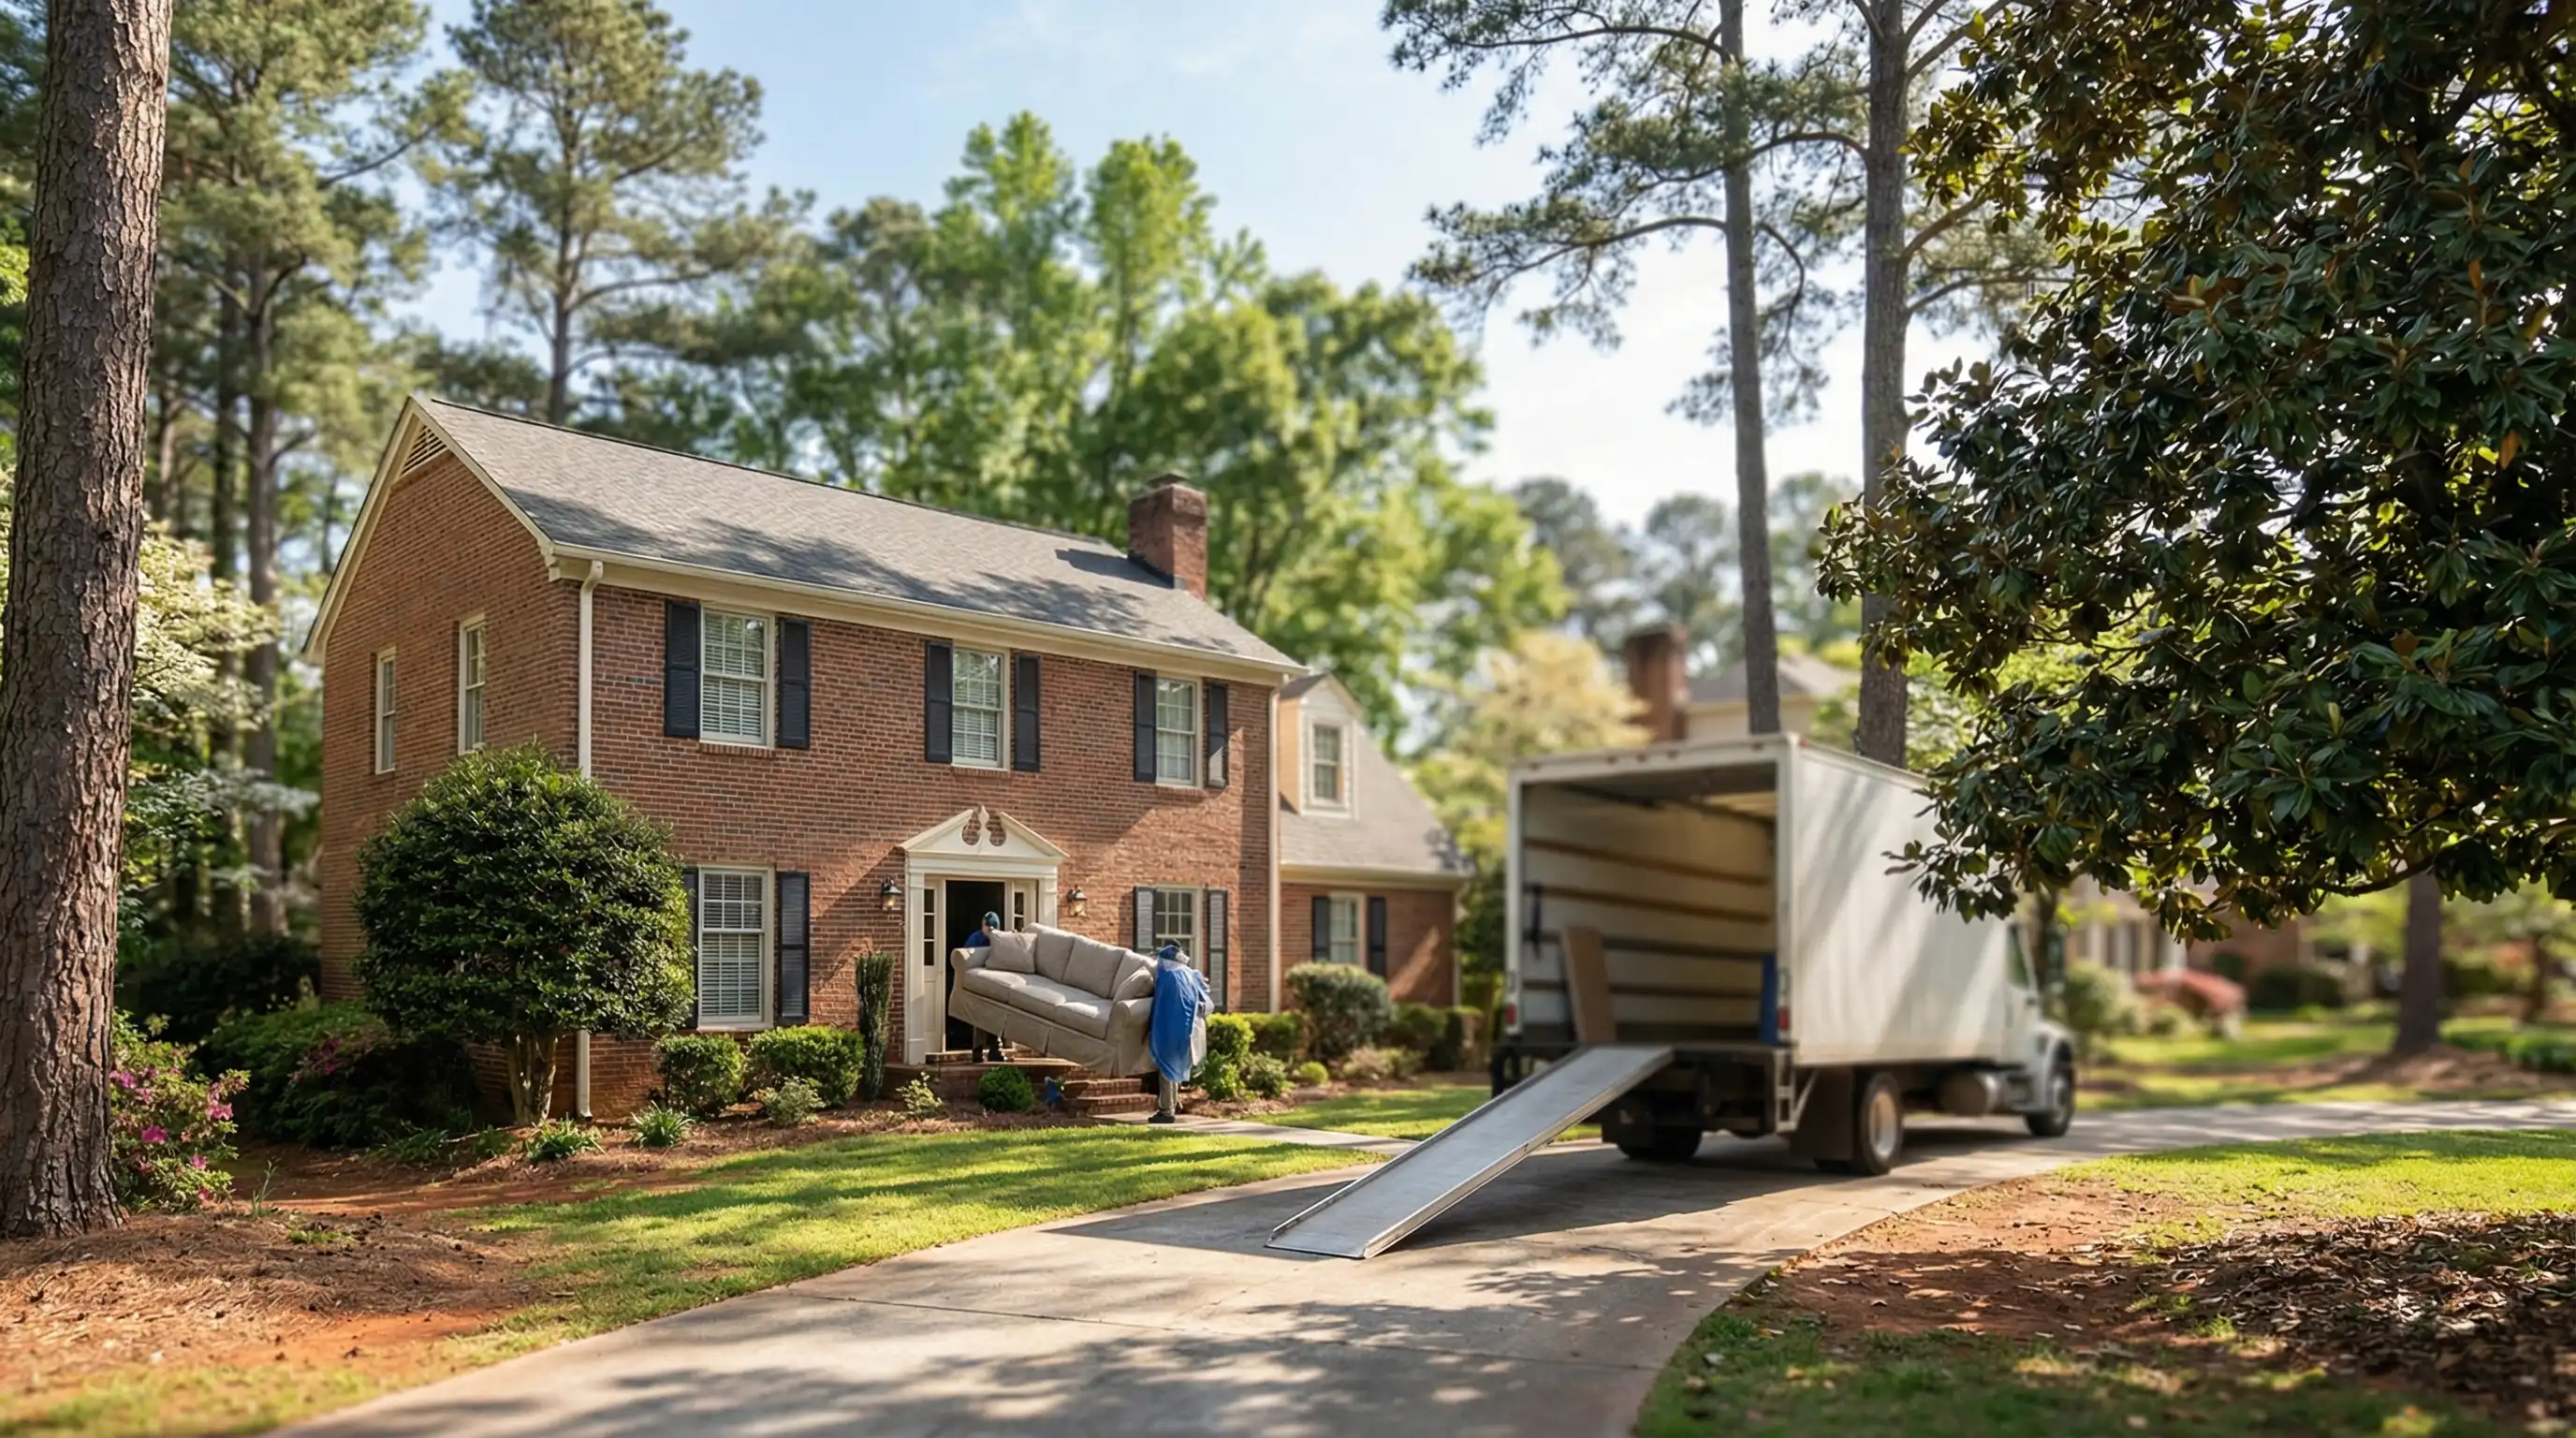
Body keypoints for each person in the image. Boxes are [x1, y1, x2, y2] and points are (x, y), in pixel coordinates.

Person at [1147, 942, 1208, 1124]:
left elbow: (1160, 1005)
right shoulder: (1189, 974)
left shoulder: (1167, 978)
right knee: (1174, 1067)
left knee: (1166, 1069)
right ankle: (1173, 1103)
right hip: (1189, 1030)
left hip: (1171, 1029)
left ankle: (1166, 1111)